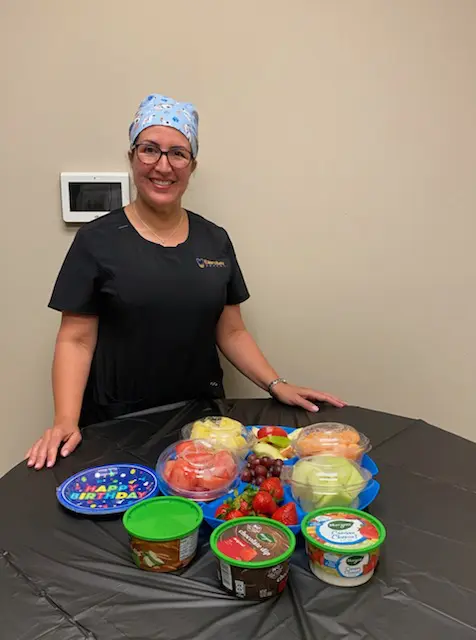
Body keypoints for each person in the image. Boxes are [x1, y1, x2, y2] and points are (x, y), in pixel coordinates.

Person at [26, 93, 345, 470]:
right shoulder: (97, 240)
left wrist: (277, 384)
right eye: (150, 150)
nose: (163, 166)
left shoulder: (214, 240)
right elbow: (75, 339)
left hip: (203, 424)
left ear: (192, 165)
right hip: (119, 423)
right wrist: (65, 420)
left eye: (178, 153)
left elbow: (232, 332)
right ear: (131, 157)